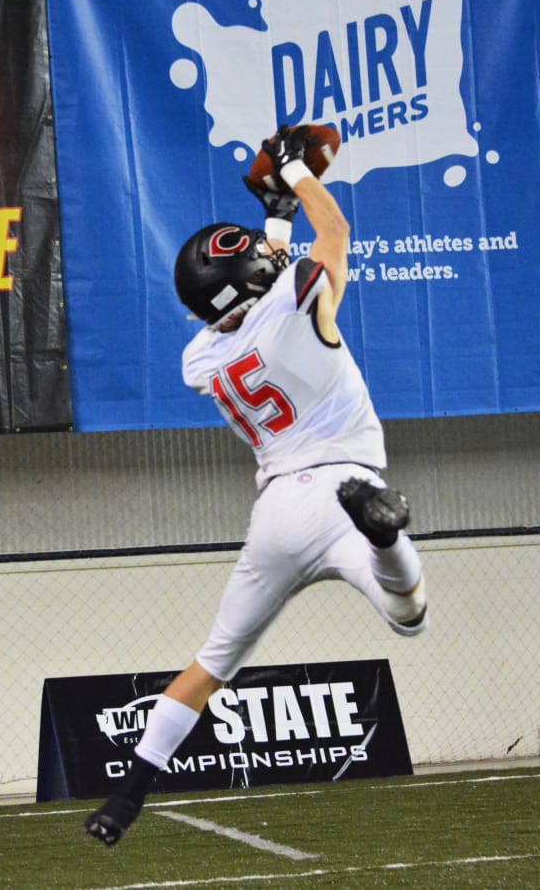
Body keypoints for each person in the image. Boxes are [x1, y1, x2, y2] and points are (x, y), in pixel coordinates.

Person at [84, 125, 428, 846]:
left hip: (278, 511)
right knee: (408, 615)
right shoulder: (297, 300)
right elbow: (334, 234)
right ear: (249, 284)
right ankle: (385, 533)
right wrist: (298, 176)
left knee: (209, 664)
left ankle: (124, 799)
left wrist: (273, 217)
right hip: (346, 487)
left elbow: (256, 283)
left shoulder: (201, 358)